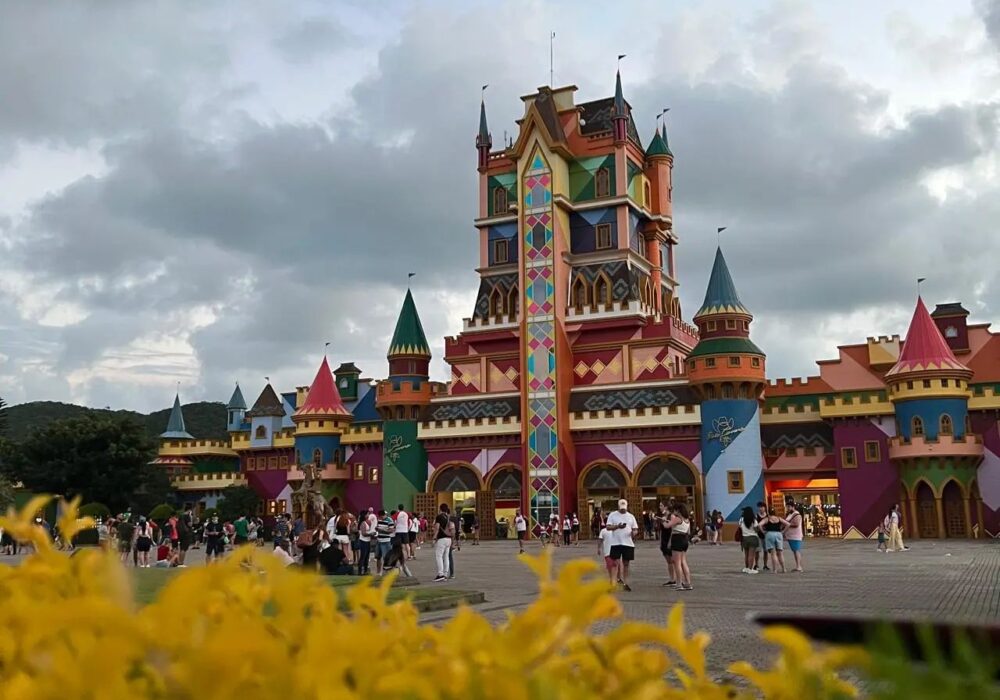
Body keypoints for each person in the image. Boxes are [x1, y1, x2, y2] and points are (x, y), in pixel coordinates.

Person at [605, 499, 638, 592]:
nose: (623, 510)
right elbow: (608, 527)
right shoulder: (612, 515)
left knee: (626, 563)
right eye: (621, 508)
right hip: (616, 542)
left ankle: (625, 583)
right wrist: (617, 526)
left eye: (624, 508)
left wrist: (634, 533)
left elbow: (635, 528)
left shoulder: (631, 516)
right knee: (615, 563)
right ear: (618, 507)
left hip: (627, 543)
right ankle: (613, 583)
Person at [759, 509, 789, 573]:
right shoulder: (779, 518)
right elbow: (788, 524)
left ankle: (775, 570)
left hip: (769, 534)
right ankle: (784, 568)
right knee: (780, 553)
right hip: (778, 534)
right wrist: (783, 531)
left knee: (773, 553)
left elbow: (759, 525)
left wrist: (763, 531)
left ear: (768, 513)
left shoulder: (767, 519)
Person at [656, 500, 677, 587]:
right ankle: (672, 579)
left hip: (669, 540)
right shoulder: (663, 516)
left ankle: (677, 579)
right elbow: (661, 530)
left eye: (661, 505)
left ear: (666, 507)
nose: (660, 507)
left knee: (674, 561)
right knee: (669, 561)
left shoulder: (671, 516)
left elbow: (672, 529)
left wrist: (670, 541)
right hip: (664, 539)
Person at [433, 503, 453, 582]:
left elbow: (437, 528)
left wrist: (434, 538)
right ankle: (445, 574)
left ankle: (440, 574)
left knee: (439, 556)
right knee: (446, 556)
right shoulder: (448, 517)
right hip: (449, 539)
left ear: (440, 509)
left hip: (442, 538)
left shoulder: (439, 516)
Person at [738, 507, 761, 574]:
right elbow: (757, 530)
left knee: (746, 554)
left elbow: (740, 528)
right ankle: (750, 569)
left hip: (744, 538)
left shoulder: (741, 520)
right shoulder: (754, 521)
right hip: (753, 538)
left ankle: (746, 567)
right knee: (751, 555)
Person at [784, 503, 805, 572]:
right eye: (787, 507)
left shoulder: (796, 514)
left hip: (795, 536)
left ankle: (799, 566)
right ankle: (798, 566)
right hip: (791, 536)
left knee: (796, 551)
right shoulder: (789, 514)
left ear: (793, 507)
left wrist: (787, 524)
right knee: (795, 551)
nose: (788, 508)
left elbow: (796, 524)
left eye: (789, 507)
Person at [374, 510, 395, 576]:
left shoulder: (389, 520)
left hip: (386, 541)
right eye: (379, 517)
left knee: (386, 557)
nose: (380, 518)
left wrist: (382, 530)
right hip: (379, 540)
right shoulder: (379, 520)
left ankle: (388, 572)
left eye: (381, 517)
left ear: (384, 515)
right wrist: (377, 529)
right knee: (377, 557)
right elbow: (378, 527)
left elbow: (391, 530)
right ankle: (378, 572)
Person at [357, 508, 373, 574]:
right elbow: (363, 533)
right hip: (363, 541)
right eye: (367, 514)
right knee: (363, 556)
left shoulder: (367, 522)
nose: (368, 515)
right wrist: (370, 533)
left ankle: (366, 570)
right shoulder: (363, 523)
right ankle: (360, 571)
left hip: (367, 541)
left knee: (367, 556)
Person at [755, 502, 769, 570]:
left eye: (762, 507)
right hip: (758, 536)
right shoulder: (756, 516)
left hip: (766, 536)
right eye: (759, 507)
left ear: (765, 508)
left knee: (766, 551)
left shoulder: (768, 516)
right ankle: (756, 564)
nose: (760, 508)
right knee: (757, 551)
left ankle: (765, 565)